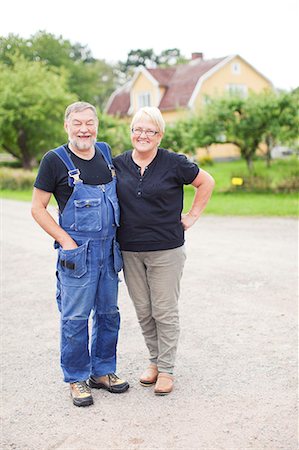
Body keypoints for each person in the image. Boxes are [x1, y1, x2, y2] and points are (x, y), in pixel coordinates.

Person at [31, 101, 129, 407]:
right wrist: (65, 240)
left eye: (89, 123)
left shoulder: (104, 151)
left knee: (108, 314)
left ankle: (102, 371)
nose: (84, 129)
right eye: (77, 123)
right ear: (67, 126)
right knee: (75, 318)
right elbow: (37, 208)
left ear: (97, 125)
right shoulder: (55, 160)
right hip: (77, 254)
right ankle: (76, 377)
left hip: (108, 252)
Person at [113, 106, 215, 396]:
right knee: (144, 311)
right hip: (130, 249)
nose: (142, 135)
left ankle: (167, 369)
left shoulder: (174, 163)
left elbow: (206, 181)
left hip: (166, 249)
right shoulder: (118, 164)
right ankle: (154, 362)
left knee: (164, 311)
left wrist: (193, 215)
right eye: (138, 129)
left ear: (159, 136)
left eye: (150, 131)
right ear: (131, 132)